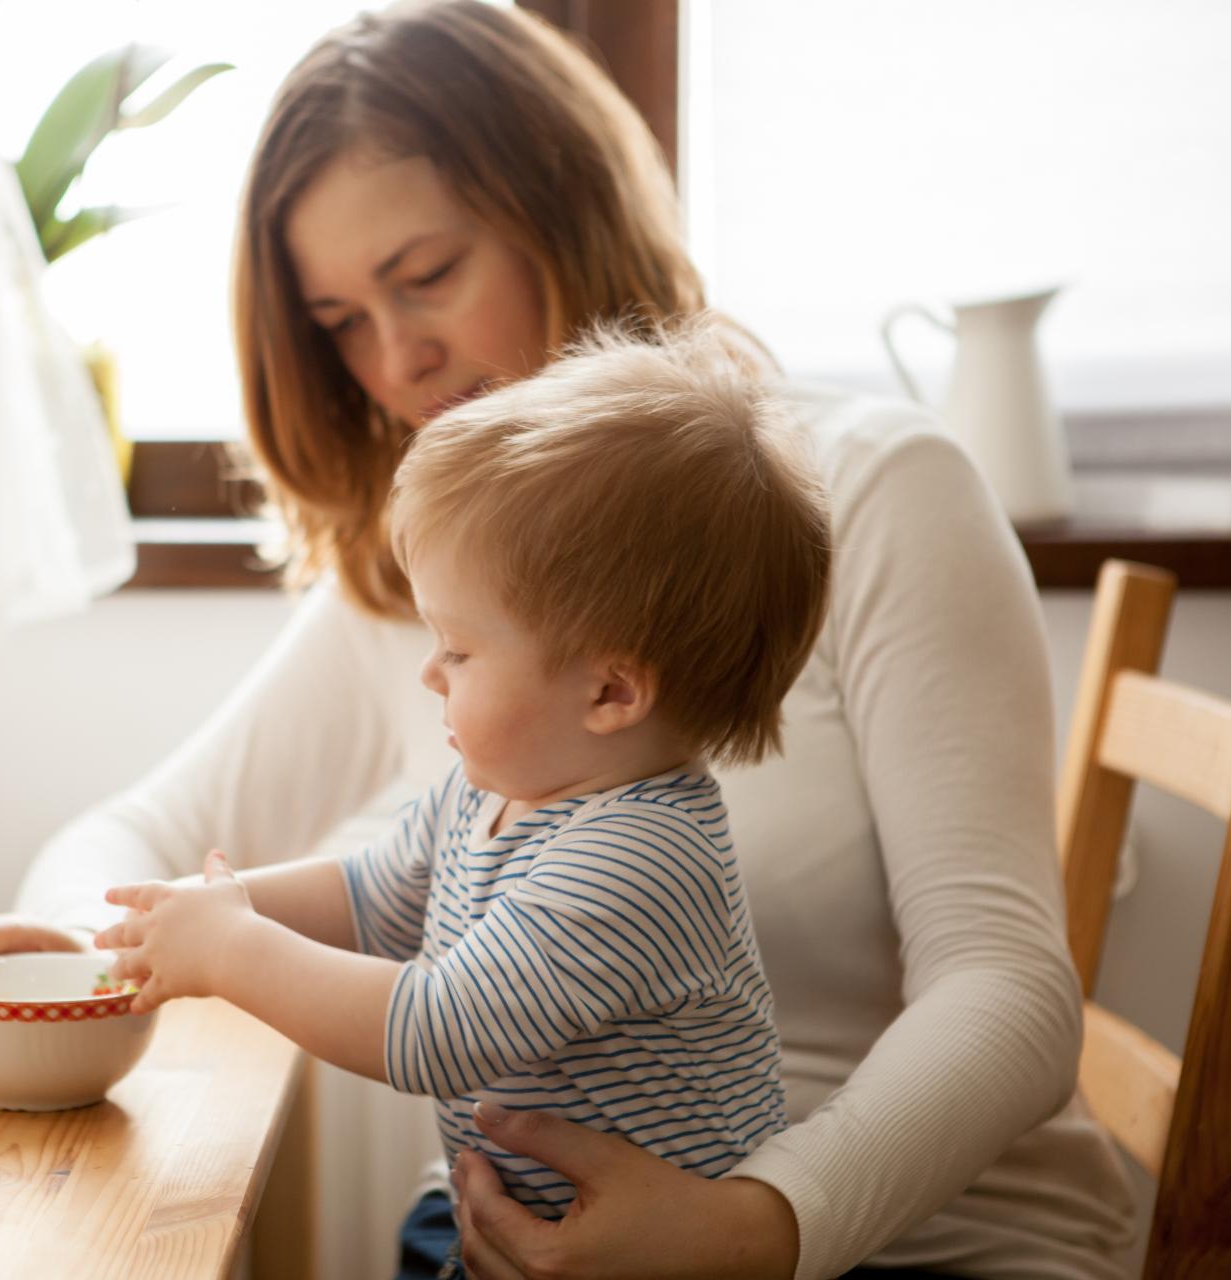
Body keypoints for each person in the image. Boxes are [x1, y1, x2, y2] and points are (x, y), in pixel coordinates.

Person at [0, 2, 1136, 1276]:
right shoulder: (439, 587)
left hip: (916, 1239)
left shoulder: (868, 488)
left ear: (564, 212)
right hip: (521, 1231)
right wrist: (84, 959)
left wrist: (762, 1223)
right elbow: (145, 832)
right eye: (338, 320)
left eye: (425, 276)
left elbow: (1012, 994)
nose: (396, 359)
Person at [90, 324, 828, 1243]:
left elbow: (439, 1031)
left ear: (609, 690)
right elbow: (372, 895)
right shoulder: (499, 787)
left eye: (459, 648)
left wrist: (233, 951)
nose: (430, 673)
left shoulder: (640, 858)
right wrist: (208, 907)